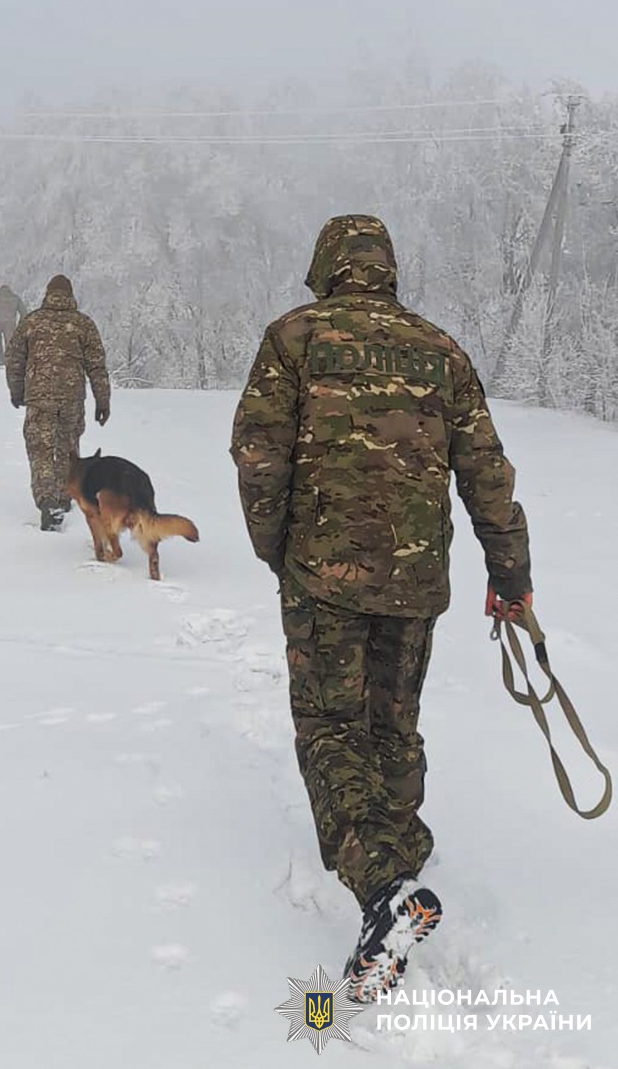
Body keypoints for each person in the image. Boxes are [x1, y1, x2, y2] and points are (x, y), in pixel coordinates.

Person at [229, 214, 532, 1002]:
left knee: (331, 727)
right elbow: (486, 469)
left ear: (327, 264)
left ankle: (384, 889)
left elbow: (258, 456)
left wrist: (277, 547)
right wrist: (511, 571)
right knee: (393, 724)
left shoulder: (295, 338)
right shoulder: (440, 350)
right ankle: (403, 855)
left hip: (323, 576)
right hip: (416, 579)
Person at [6, 274, 111, 531]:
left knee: (41, 450)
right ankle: (65, 496)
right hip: (72, 399)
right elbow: (97, 366)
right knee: (68, 448)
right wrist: (102, 401)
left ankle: (47, 501)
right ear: (71, 295)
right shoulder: (83, 324)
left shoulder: (32, 322)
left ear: (47, 294)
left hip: (39, 397)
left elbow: (14, 359)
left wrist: (17, 391)